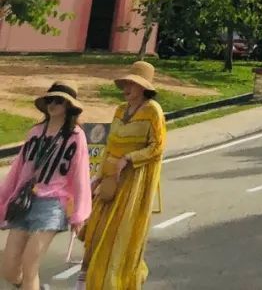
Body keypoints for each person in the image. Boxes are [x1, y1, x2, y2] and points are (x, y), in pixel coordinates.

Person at [79, 60, 166, 290]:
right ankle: (87, 280)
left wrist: (129, 158)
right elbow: (109, 144)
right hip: (109, 177)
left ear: (144, 87)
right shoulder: (119, 109)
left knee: (119, 235)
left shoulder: (153, 111)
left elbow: (157, 147)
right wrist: (98, 175)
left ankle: (117, 282)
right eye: (126, 83)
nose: (127, 88)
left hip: (132, 181)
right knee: (95, 230)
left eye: (132, 84)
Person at [0, 82, 90, 290]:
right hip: (24, 201)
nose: (53, 104)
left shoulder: (76, 136)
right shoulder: (35, 132)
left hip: (52, 204)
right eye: (50, 99)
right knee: (9, 268)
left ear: (69, 105)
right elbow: (18, 169)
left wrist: (79, 214)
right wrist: (3, 200)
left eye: (59, 100)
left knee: (30, 264)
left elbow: (80, 176)